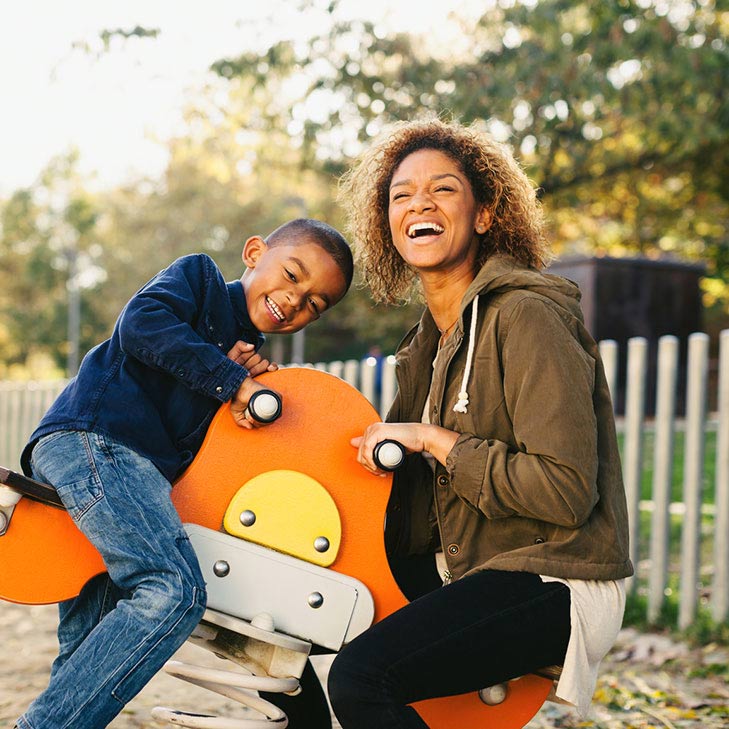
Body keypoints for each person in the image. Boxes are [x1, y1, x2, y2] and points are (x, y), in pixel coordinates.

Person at [326, 118, 633, 728]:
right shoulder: (427, 344)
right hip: (471, 563)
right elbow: (401, 497)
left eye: (442, 189)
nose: (419, 203)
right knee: (309, 617)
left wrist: (437, 442)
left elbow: (566, 492)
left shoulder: (527, 317)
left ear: (486, 213)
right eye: (401, 194)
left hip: (555, 574)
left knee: (362, 678)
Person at [14, 217, 353, 729]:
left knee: (92, 639)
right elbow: (142, 323)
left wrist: (233, 403)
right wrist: (231, 379)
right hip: (97, 444)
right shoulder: (199, 281)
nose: (295, 299)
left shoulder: (245, 361)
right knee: (173, 589)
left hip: (131, 477)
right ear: (255, 251)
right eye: (291, 274)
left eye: (314, 304)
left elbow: (204, 452)